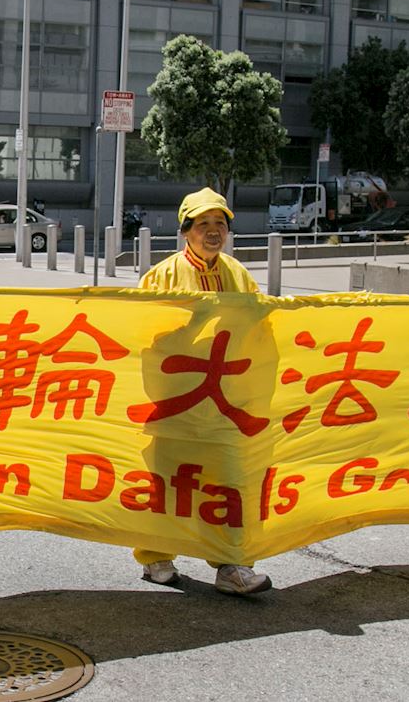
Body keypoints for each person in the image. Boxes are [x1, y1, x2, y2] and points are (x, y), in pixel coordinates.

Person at [134, 187, 272, 596]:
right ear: (185, 231)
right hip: (176, 400)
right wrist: (193, 322)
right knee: (168, 482)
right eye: (203, 224)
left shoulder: (238, 274)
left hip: (225, 402)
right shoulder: (161, 277)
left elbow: (260, 324)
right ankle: (156, 556)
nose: (213, 232)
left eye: (220, 224)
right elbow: (142, 333)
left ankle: (232, 565)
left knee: (229, 482)